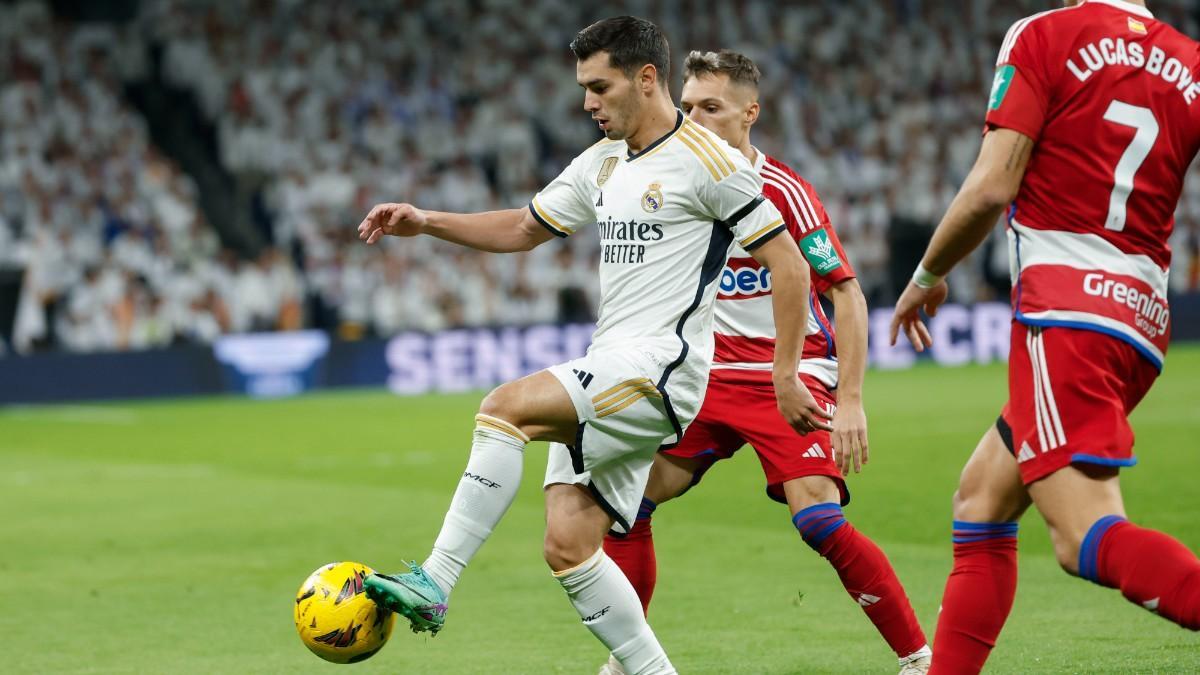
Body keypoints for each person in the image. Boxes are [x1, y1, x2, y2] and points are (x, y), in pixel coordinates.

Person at [356, 17, 829, 675]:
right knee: (569, 544)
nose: (587, 102)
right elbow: (525, 225)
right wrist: (428, 221)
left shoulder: (710, 160)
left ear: (645, 78)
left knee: (504, 407)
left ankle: (435, 580)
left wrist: (785, 372)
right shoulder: (602, 161)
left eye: (599, 86)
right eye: (584, 88)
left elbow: (790, 264)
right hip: (616, 360)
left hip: (662, 369)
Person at [597, 50, 931, 675]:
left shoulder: (782, 191)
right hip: (705, 377)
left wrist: (852, 399)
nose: (694, 118)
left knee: (820, 522)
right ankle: (630, 661)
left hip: (792, 372)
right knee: (627, 505)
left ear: (749, 114)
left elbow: (847, 295)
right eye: (688, 105)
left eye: (711, 107)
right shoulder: (670, 181)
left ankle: (919, 659)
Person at [889, 1, 1200, 672]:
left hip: (1067, 314)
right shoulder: (1190, 63)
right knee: (981, 498)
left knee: (1082, 535)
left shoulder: (1045, 33)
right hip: (1141, 321)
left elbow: (991, 186)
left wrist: (927, 272)